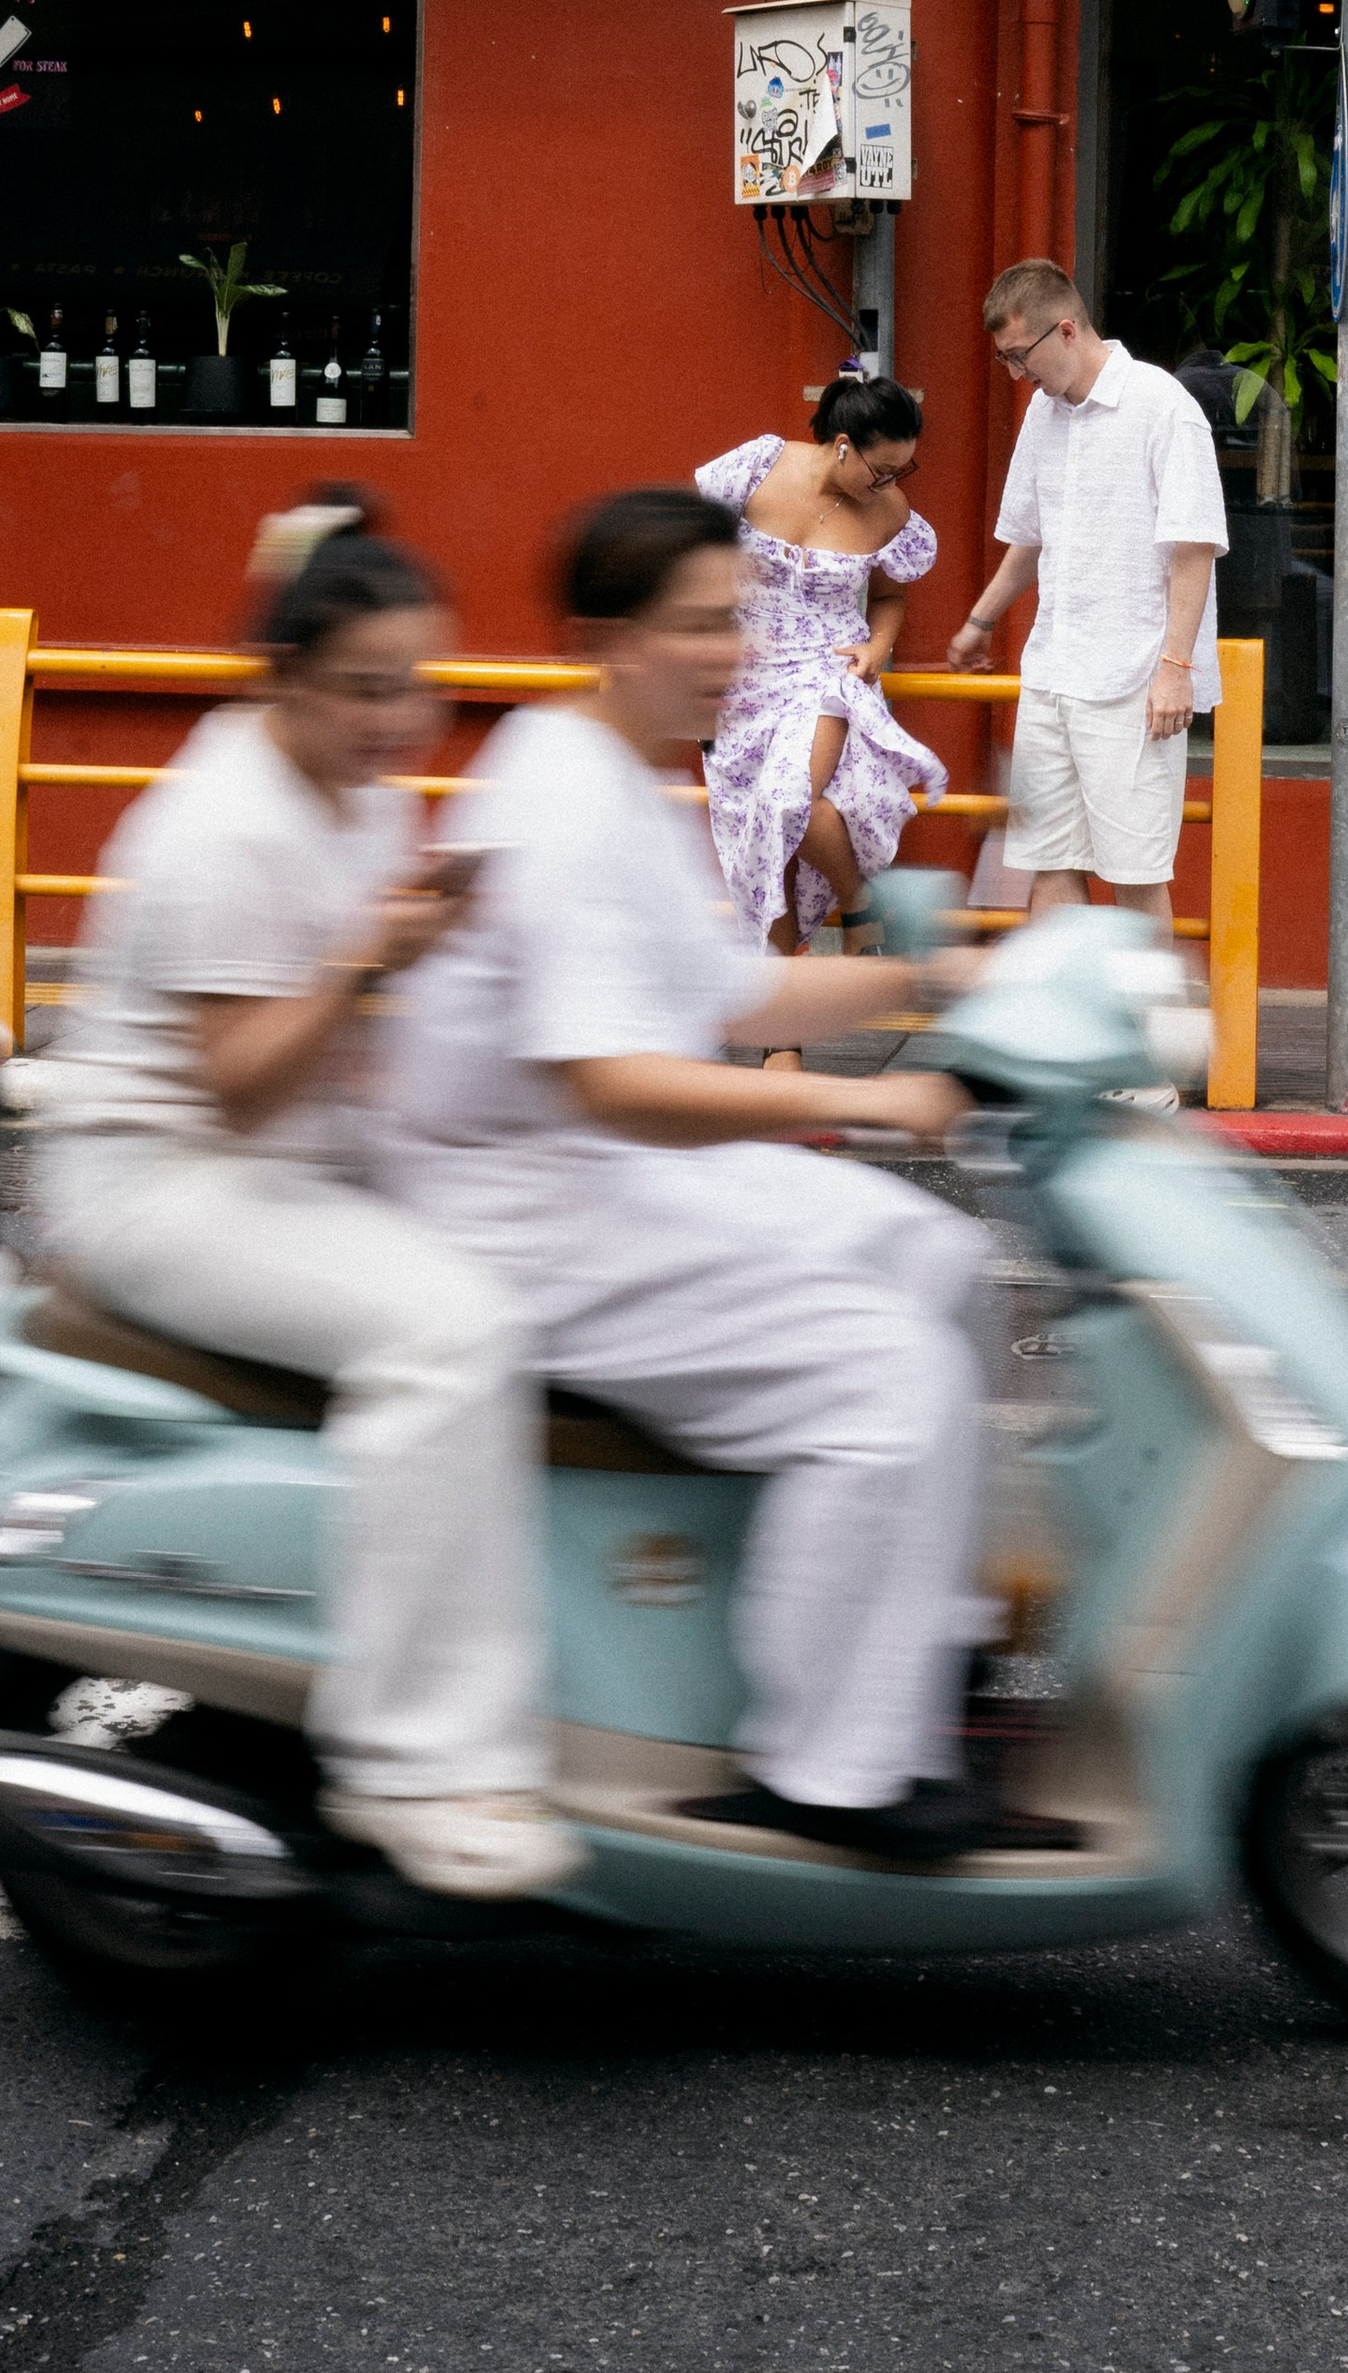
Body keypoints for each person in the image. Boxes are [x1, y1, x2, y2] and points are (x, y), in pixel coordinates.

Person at [383, 484, 1009, 1867]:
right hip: (530, 1210)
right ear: (606, 640)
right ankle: (833, 1774)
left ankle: (923, 1644)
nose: (731, 651)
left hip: (601, 1173)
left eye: (738, 620)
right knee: (881, 1381)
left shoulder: (623, 767)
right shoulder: (557, 795)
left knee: (940, 1265)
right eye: (696, 628)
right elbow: (613, 1080)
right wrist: (897, 1095)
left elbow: (714, 995)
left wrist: (928, 972)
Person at [29, 494, 571, 1905]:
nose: (402, 722)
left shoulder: (364, 790)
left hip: (300, 1158)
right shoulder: (221, 825)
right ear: (286, 681)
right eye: (364, 692)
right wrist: (376, 962)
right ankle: (412, 1763)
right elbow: (243, 1090)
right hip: (162, 1183)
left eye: (421, 688)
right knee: (448, 1332)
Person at [945, 260, 1228, 925]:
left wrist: (1176, 670)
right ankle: (1064, 1026)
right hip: (1054, 671)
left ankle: (1145, 1027)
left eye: (1020, 356)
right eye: (1006, 361)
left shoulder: (1162, 407)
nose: (1017, 375)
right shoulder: (1043, 417)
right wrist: (979, 620)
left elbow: (1193, 550)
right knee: (1050, 868)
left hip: (1136, 681)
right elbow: (1030, 540)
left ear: (1066, 330)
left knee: (1134, 875)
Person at [694, 378, 948, 992]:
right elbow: (692, 543)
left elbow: (888, 596)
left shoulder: (889, 511)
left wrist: (877, 648)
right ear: (841, 445)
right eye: (882, 468)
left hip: (827, 670)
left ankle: (858, 906)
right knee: (764, 831)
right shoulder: (757, 466)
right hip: (744, 676)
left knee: (784, 800)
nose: (891, 483)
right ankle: (783, 1030)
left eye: (901, 470)